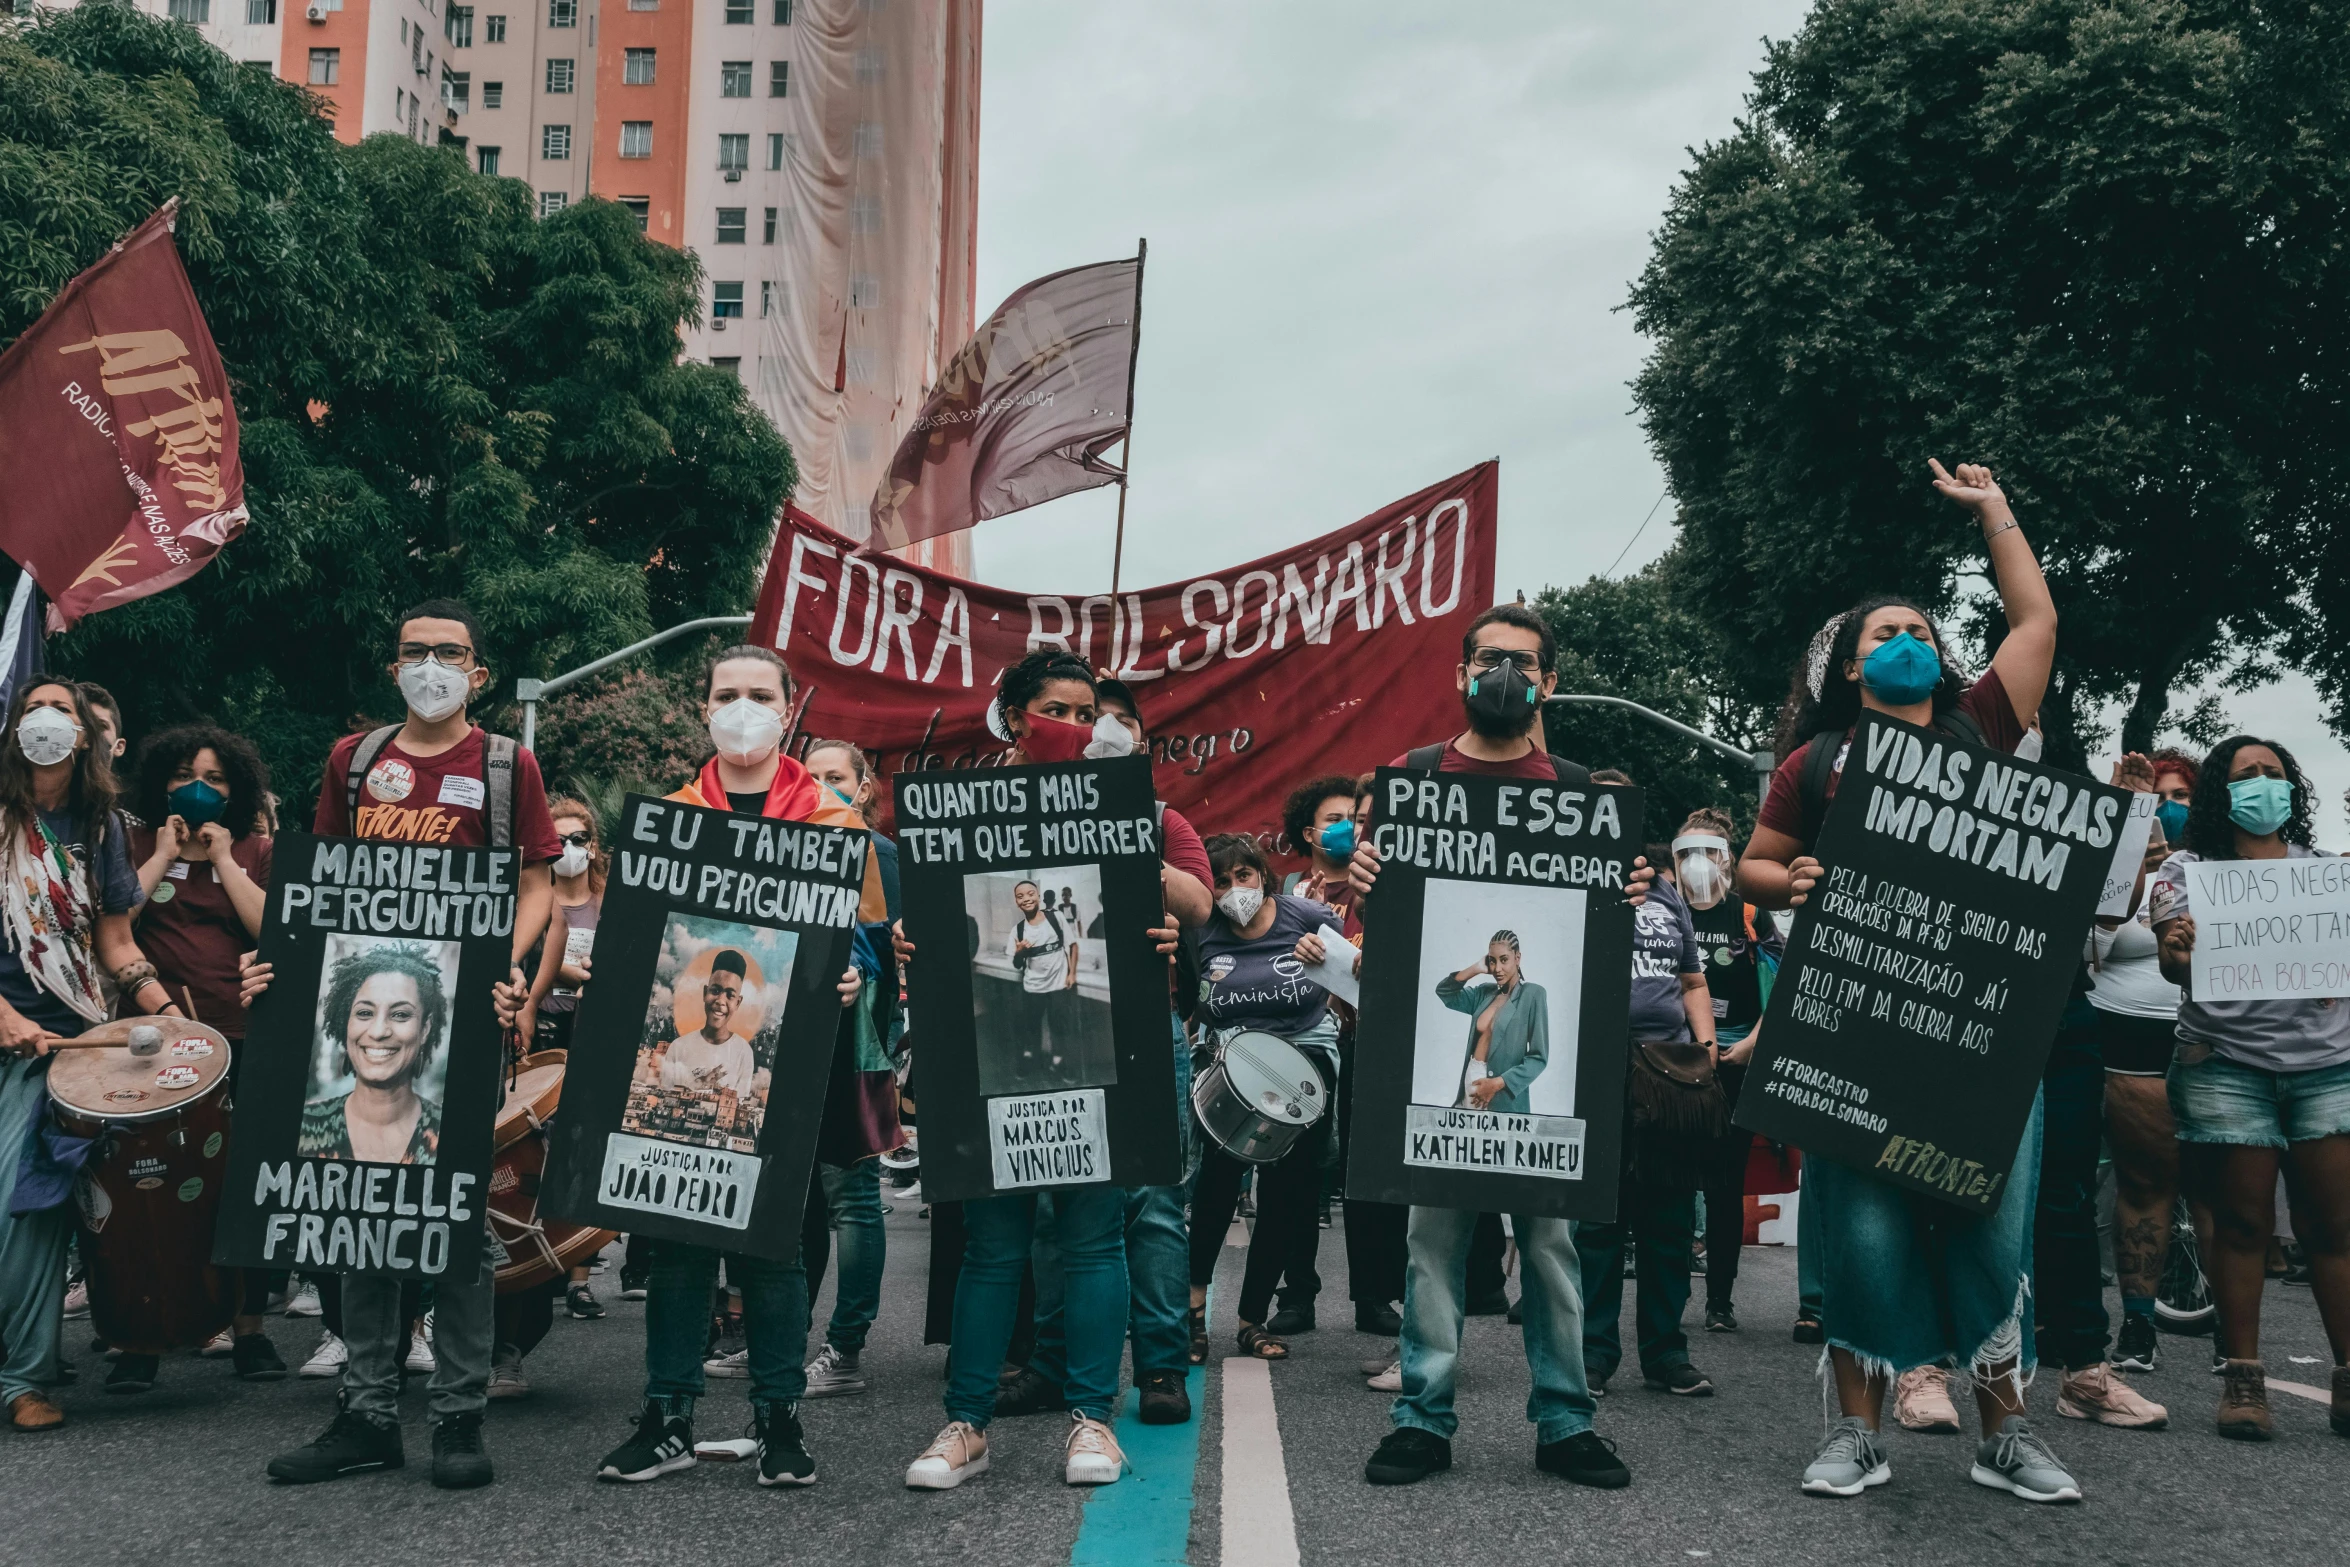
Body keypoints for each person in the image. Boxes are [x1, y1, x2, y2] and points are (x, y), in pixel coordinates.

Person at [1736, 460, 2082, 1503]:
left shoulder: (1982, 724)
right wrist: (1782, 873)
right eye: (1882, 635)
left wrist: (1993, 514)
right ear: (1849, 669)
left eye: (1922, 633)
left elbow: (2035, 622)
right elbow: (1757, 859)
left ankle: (2005, 1432)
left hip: (1978, 1030)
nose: (1906, 643)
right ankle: (1855, 1430)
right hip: (1856, 1026)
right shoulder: (1821, 761)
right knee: (1864, 1231)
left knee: (1986, 1221)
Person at [1346, 602, 1653, 1491]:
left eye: (1523, 662)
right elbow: (1401, 941)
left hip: (1531, 1112)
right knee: (1432, 1245)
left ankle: (1565, 1417)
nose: (1504, 675)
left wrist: (1626, 885)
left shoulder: (1582, 794)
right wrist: (1367, 876)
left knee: (1550, 1249)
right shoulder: (1412, 779)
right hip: (1444, 1103)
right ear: (1460, 673)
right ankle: (1422, 1415)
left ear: (1549, 683)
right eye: (1489, 659)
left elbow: (1597, 943)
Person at [262, 598, 560, 1490]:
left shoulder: (508, 767)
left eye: (450, 652)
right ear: (393, 666)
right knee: (362, 1218)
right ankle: (366, 1415)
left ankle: (459, 1418)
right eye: (413, 650)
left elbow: (538, 885)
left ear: (479, 672)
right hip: (372, 1021)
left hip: (462, 1026)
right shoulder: (354, 763)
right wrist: (278, 975)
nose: (430, 664)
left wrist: (502, 965)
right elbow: (321, 888)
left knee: (457, 1227)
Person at [589, 645, 882, 1490]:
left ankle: (778, 1416)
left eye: (760, 694)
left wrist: (855, 967)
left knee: (775, 1247)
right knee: (678, 1237)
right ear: (703, 707)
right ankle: (668, 1415)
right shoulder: (673, 819)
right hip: (686, 1065)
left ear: (789, 711)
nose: (742, 708)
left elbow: (859, 932)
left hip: (789, 1067)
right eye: (728, 694)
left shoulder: (832, 821)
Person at [903, 652, 1195, 1490]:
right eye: (1055, 707)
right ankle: (966, 1423)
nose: (1073, 722)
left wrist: (1158, 924)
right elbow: (938, 915)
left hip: (1091, 1037)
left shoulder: (1128, 809)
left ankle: (1093, 1421)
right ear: (1012, 716)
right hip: (994, 1042)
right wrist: (914, 938)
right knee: (994, 1244)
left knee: (1095, 1236)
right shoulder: (960, 811)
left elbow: (1178, 908)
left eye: (1084, 709)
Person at [998, 675, 1213, 1427]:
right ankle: (1054, 1365)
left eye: (1099, 722)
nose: (1083, 731)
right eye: (1063, 715)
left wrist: (1124, 840)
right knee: (1061, 1203)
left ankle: (1160, 1366)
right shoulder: (1001, 812)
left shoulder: (1157, 815)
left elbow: (1199, 902)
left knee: (1152, 1202)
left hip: (1141, 1028)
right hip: (1050, 1029)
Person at [2152, 735, 2350, 1441]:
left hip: (2327, 1067)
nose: (2262, 784)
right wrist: (2177, 952)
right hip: (2227, 1066)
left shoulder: (2328, 872)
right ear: (2220, 793)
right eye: (2246, 775)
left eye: (2273, 773)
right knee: (2241, 1225)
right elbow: (2175, 964)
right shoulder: (2186, 870)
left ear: (2293, 790)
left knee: (2334, 1225)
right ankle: (2243, 1378)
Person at [0, 681, 186, 1430]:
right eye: (35, 706)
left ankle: (24, 1379)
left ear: (84, 737)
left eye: (64, 711)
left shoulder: (102, 825)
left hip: (72, 1047)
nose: (47, 719)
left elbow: (115, 945)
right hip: (11, 1037)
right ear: (15, 727)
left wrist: (171, 1016)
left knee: (33, 1212)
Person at [127, 723, 285, 1380]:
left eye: (215, 776)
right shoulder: (132, 840)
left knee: (241, 1186)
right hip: (150, 1044)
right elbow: (114, 922)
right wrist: (164, 854)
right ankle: (141, 1336)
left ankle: (249, 1330)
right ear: (160, 779)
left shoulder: (257, 846)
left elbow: (273, 925)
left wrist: (223, 859)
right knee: (149, 1187)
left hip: (241, 1038)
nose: (199, 786)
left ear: (237, 786)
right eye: (186, 773)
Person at [2027, 752, 2173, 1433]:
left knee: (2067, 1191)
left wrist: (2129, 817)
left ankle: (2085, 1367)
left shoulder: (2079, 824)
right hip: (1979, 1008)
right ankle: (1925, 1363)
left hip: (2065, 1013)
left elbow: (2104, 929)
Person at [1579, 788, 1721, 1402]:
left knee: (1667, 1221)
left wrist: (1707, 1046)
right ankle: (1591, 1356)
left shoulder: (1666, 891)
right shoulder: (1571, 882)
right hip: (1596, 1070)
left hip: (1667, 1075)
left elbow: (1692, 978)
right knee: (1598, 1223)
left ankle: (1667, 1354)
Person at [1186, 834, 1347, 1363]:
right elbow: (1191, 1003)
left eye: (1244, 876)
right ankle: (1191, 1311)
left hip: (1305, 1071)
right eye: (1222, 881)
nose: (1236, 890)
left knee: (1286, 1200)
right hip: (1233, 1072)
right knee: (1213, 1193)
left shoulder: (1308, 916)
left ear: (1263, 875)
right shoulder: (1202, 933)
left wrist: (1330, 960)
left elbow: (1357, 976)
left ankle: (1252, 1319)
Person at [1277, 773, 1404, 1338]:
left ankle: (1373, 1297)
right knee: (1296, 1173)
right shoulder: (1287, 892)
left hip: (1362, 1044)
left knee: (1364, 1173)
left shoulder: (1384, 888)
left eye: (1356, 821)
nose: (1349, 830)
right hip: (1298, 1046)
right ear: (1310, 832)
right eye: (1337, 820)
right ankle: (1296, 1294)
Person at [795, 739, 902, 1401]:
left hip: (857, 1049)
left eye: (836, 776)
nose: (821, 786)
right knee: (795, 1203)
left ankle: (846, 1346)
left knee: (852, 1201)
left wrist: (858, 975)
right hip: (795, 1051)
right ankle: (781, 1336)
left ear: (864, 789)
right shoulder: (791, 847)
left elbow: (897, 956)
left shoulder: (880, 856)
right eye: (809, 776)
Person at [493, 796, 608, 1393]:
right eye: (553, 838)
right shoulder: (497, 883)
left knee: (531, 1182)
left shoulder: (568, 901)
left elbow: (557, 928)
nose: (566, 847)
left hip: (554, 1043)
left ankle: (511, 1345)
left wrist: (529, 1001)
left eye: (576, 837)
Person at [2096, 750, 2197, 1379]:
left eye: (2183, 794)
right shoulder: (2120, 867)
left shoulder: (2222, 868)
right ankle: (2138, 1323)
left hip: (2212, 1037)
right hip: (2125, 1038)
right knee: (2143, 1180)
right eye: (2158, 796)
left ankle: (2234, 1342)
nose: (2171, 807)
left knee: (2221, 1190)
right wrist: (2127, 852)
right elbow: (2088, 940)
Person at [1671, 807, 1781, 1337]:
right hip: (1677, 1062)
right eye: (1687, 853)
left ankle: (1720, 1300)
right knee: (1671, 1178)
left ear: (1728, 859)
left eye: (1708, 853)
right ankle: (1667, 1295)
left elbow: (1782, 987)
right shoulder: (1666, 911)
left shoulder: (1751, 915)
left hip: (1737, 1060)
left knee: (1724, 1182)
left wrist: (1752, 1047)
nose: (1698, 864)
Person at [298, 942, 451, 1163]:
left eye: (400, 1014)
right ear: (346, 1022)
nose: (379, 1031)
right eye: (364, 1012)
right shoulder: (302, 1126)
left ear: (425, 1029)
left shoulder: (452, 1135)